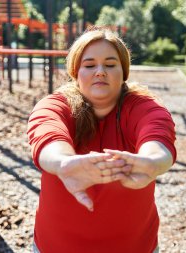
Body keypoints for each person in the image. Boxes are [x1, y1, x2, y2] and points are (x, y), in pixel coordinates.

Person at [27, 27, 176, 253]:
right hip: (56, 246)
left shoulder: (143, 106)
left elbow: (158, 134)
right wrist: (63, 163)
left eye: (110, 64)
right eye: (89, 65)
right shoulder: (55, 105)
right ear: (76, 72)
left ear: (123, 72)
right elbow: (47, 135)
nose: (100, 72)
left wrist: (153, 162)